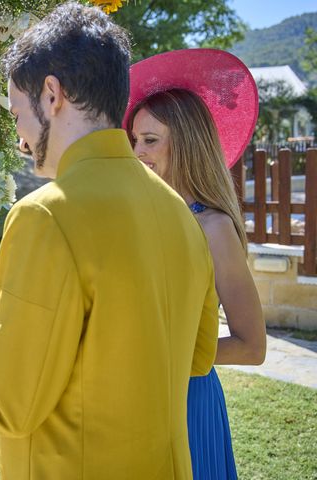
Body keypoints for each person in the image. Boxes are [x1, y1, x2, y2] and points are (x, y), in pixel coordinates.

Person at [0, 3, 219, 478]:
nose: (20, 139)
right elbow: (199, 355)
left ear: (52, 95)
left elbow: (9, 403)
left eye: (16, 113)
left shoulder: (45, 215)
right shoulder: (178, 210)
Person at [125, 49, 267, 480]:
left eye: (151, 140)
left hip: (189, 402)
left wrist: (168, 354)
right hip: (134, 400)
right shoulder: (136, 218)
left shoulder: (214, 227)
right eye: (133, 140)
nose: (137, 152)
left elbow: (252, 346)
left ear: (185, 141)